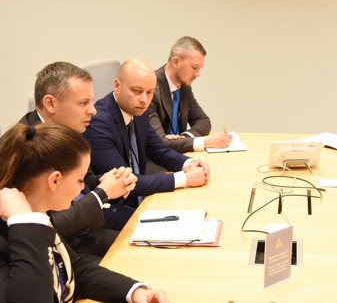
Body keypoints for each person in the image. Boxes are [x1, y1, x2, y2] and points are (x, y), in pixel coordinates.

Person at [0, 123, 168, 302]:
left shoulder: (36, 214)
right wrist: (26, 224)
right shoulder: (24, 223)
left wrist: (135, 291)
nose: (83, 187)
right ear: (55, 180)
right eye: (80, 180)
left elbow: (74, 267)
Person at [17, 61, 137, 262]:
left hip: (85, 233)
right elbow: (48, 225)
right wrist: (103, 193)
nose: (93, 110)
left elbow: (84, 183)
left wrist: (108, 180)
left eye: (92, 101)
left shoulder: (69, 130)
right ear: (50, 103)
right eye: (83, 103)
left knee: (149, 249)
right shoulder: (25, 148)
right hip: (58, 250)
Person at [83, 58, 210, 230]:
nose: (144, 99)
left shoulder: (137, 109)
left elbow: (158, 149)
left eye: (150, 93)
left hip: (140, 201)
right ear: (117, 86)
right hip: (115, 211)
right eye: (137, 91)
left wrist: (188, 164)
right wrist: (184, 178)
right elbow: (126, 182)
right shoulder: (99, 122)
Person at [148, 36, 232, 154]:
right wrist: (206, 142)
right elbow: (160, 143)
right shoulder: (149, 89)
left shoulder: (184, 88)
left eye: (200, 68)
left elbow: (203, 120)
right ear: (176, 62)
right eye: (194, 67)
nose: (198, 74)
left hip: (179, 156)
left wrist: (185, 138)